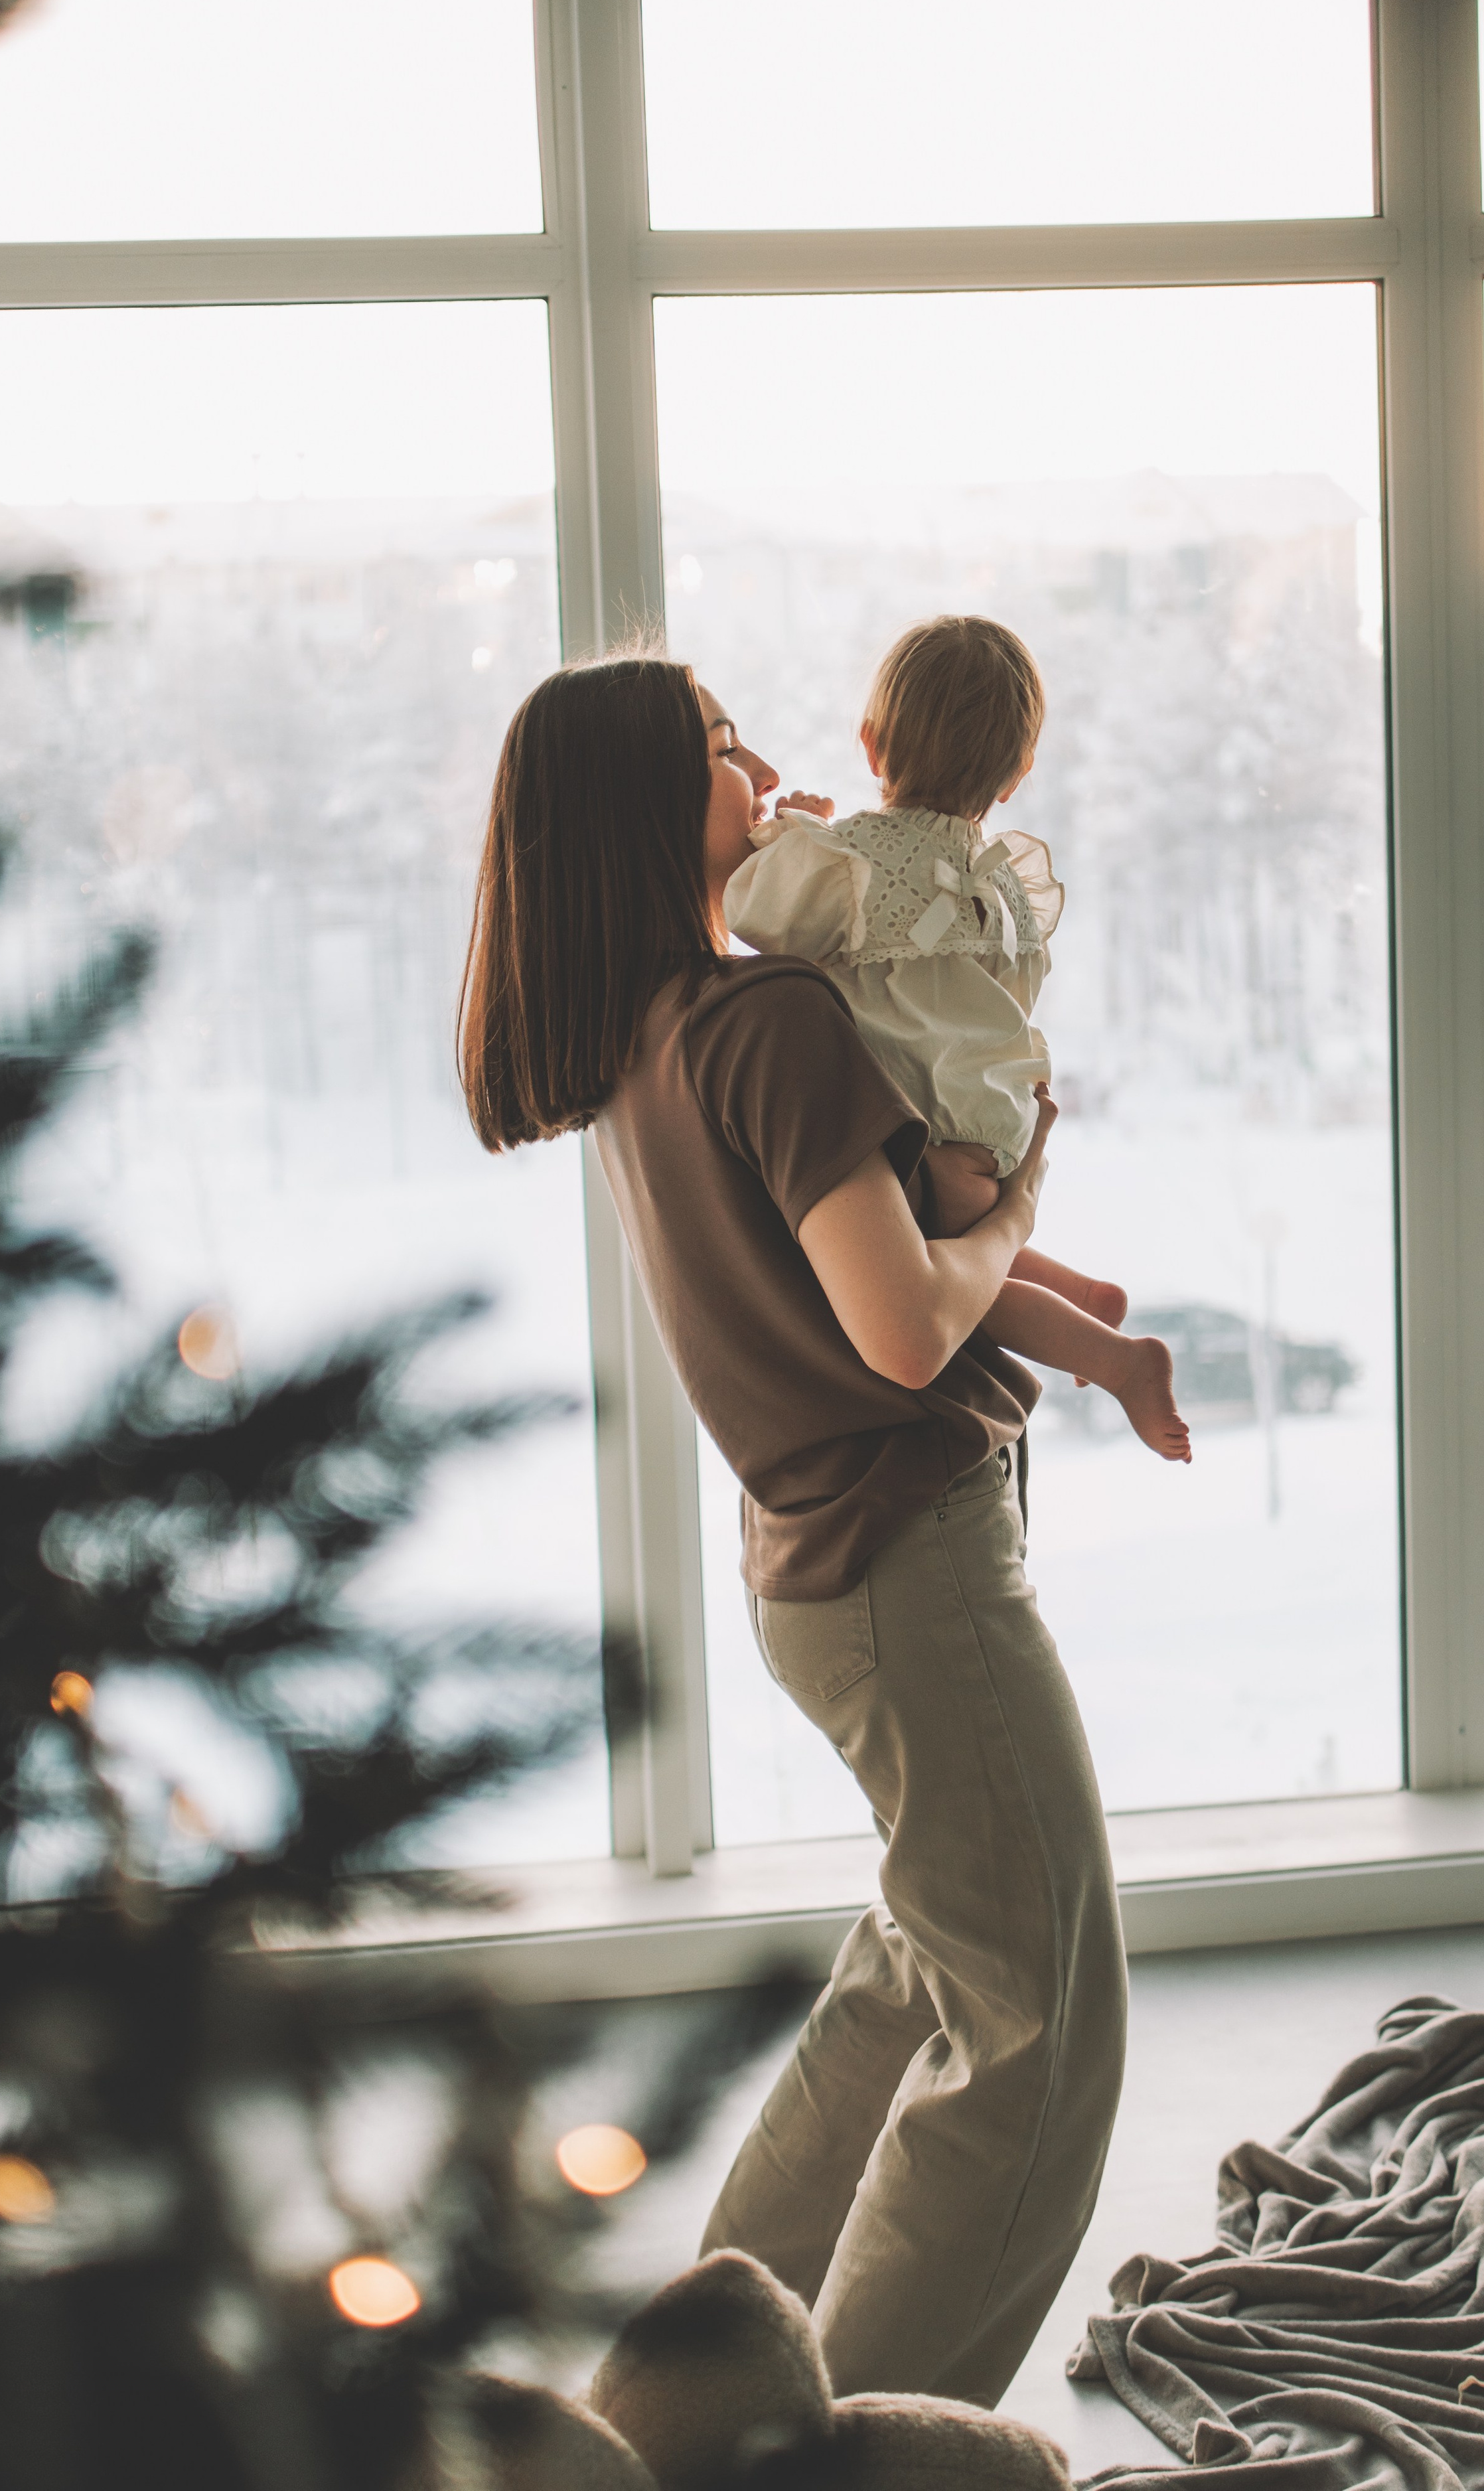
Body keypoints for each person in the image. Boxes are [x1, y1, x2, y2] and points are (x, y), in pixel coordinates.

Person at [457, 653, 1126, 2410]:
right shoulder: (766, 1024)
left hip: (823, 1568)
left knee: (917, 1972)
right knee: (1043, 2022)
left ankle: (693, 2402)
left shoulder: (655, 1035)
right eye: (718, 748)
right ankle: (838, 2456)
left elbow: (868, 1283)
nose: (761, 764)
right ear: (635, 812)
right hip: (909, 1563)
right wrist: (1022, 1197)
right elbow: (906, 1326)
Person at [725, 616, 1189, 1464]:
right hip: (991, 1114)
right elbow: (1018, 992)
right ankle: (1084, 1295)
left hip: (914, 1116)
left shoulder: (845, 863)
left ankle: (1116, 1360)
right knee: (982, 1250)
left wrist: (789, 832)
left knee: (950, 1281)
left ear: (871, 745)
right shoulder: (1003, 883)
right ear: (1015, 776)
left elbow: (755, 912)